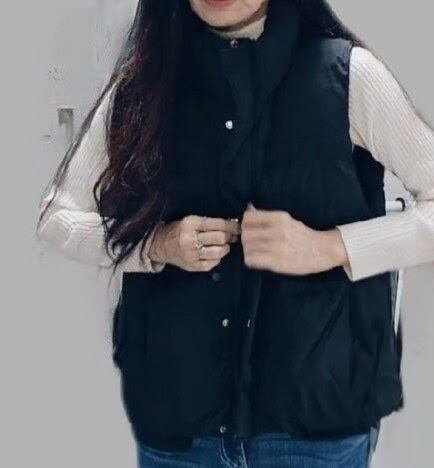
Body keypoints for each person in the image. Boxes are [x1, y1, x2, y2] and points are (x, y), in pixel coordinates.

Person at [36, 0, 434, 466]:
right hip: (179, 427)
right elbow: (58, 218)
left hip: (313, 427)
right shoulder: (145, 82)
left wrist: (328, 247)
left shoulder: (347, 75)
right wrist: (155, 244)